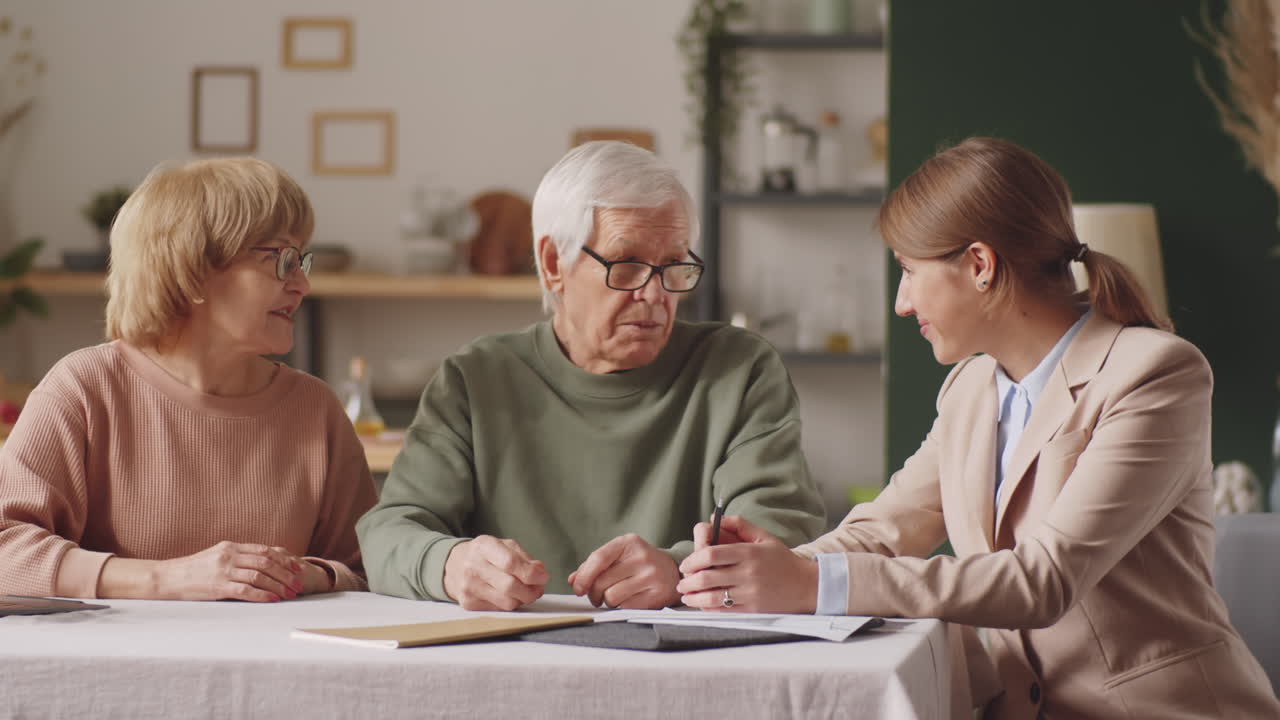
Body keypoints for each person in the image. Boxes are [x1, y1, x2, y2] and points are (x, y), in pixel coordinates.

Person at [677, 138, 1280, 718]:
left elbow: (1042, 580)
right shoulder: (969, 388)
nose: (901, 303)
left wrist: (809, 583)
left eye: (909, 272)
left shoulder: (1153, 374)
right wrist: (748, 576)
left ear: (980, 265)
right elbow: (883, 533)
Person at [357, 141, 825, 611]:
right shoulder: (474, 379)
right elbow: (387, 534)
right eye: (627, 265)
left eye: (672, 266)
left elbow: (780, 531)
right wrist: (451, 563)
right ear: (553, 264)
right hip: (513, 655)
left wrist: (679, 571)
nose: (654, 294)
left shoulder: (738, 369)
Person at [0, 157, 376, 602]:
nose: (303, 285)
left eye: (302, 261)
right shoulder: (84, 387)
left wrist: (307, 575)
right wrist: (167, 579)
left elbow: (370, 567)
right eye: (283, 260)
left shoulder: (316, 408)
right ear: (192, 269)